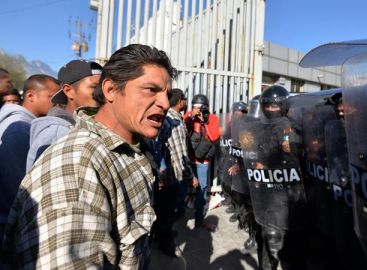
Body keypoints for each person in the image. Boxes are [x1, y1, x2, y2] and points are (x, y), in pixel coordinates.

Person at [1, 44, 176, 269]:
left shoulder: (132, 150)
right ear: (111, 90)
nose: (164, 103)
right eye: (151, 89)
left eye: (167, 94)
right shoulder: (76, 165)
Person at [240, 85, 307, 269]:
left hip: (290, 194)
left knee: (293, 242)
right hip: (266, 194)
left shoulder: (293, 128)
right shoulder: (256, 128)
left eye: (274, 106)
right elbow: (248, 153)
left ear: (284, 106)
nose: (270, 110)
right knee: (270, 238)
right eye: (267, 106)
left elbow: (295, 157)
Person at [0, 74, 59, 240]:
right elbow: (17, 185)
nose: (56, 101)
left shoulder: (24, 123)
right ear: (30, 95)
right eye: (51, 96)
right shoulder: (19, 128)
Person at [26, 60, 102, 171]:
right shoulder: (57, 134)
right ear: (69, 91)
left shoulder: (85, 126)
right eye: (95, 87)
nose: (103, 93)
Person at [151, 88, 196, 257]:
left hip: (165, 175)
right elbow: (179, 154)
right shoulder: (172, 122)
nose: (186, 102)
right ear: (180, 102)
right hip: (172, 177)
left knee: (163, 210)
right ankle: (165, 241)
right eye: (185, 99)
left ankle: (162, 235)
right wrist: (190, 176)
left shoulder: (172, 118)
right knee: (169, 210)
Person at [184, 94, 220, 228]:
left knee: (202, 189)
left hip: (202, 162)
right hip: (188, 159)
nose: (198, 110)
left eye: (200, 108)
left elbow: (214, 136)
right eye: (195, 107)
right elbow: (182, 130)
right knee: (182, 188)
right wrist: (191, 117)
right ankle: (179, 214)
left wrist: (205, 121)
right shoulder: (189, 116)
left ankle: (199, 218)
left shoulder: (212, 118)